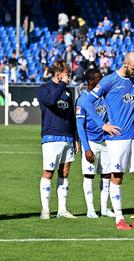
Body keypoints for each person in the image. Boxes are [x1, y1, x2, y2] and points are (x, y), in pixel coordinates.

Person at [80, 52, 134, 230]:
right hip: (117, 138)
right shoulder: (109, 81)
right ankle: (119, 218)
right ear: (125, 64)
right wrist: (102, 125)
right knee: (117, 176)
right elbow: (86, 102)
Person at [38, 60, 77, 219]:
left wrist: (75, 137)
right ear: (58, 74)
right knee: (48, 172)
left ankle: (62, 209)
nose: (70, 77)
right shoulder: (44, 89)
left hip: (67, 136)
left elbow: (71, 115)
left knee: (65, 172)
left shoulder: (68, 91)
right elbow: (51, 101)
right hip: (51, 136)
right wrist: (61, 84)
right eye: (68, 74)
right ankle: (45, 210)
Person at [75, 69, 115, 218]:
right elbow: (80, 126)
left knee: (106, 175)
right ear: (91, 82)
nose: (102, 81)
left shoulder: (104, 97)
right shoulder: (82, 100)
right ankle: (90, 209)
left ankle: (104, 208)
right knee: (89, 176)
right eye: (100, 79)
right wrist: (86, 148)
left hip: (105, 141)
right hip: (91, 142)